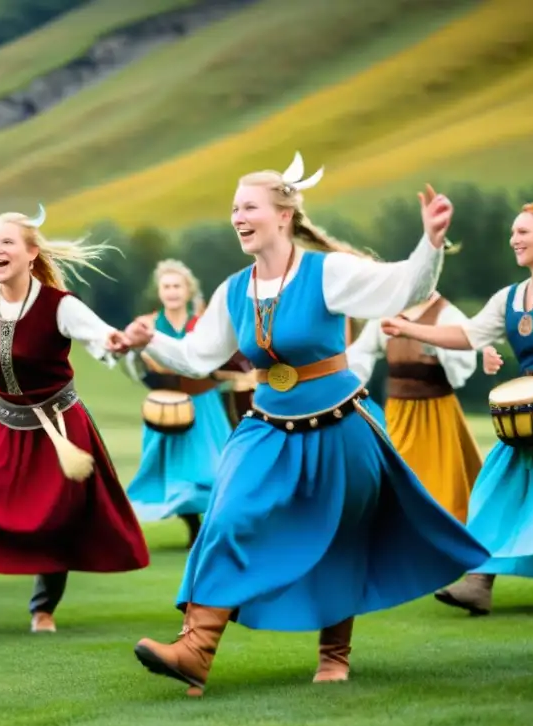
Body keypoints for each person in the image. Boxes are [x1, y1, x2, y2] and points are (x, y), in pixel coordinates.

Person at [121, 153, 489, 695]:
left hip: (341, 425)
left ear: (283, 215)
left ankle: (334, 655)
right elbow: (200, 358)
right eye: (233, 208)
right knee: (225, 516)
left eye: (248, 206)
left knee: (341, 535)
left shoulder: (327, 272)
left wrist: (430, 242)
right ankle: (195, 650)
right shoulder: (232, 289)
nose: (238, 216)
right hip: (266, 426)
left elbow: (404, 288)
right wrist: (150, 341)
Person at [0, 205, 150, 642]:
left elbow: (97, 333)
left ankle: (43, 610)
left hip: (60, 430)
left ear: (31, 252)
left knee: (53, 519)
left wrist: (113, 341)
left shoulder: (60, 305)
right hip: (2, 426)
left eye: (6, 242)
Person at [382, 204, 533, 615]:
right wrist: (407, 328)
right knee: (496, 490)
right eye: (512, 231)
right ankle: (478, 582)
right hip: (530, 417)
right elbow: (467, 334)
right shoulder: (509, 298)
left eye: (524, 231)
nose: (514, 239)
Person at [123, 260, 231, 548]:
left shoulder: (204, 324)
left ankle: (209, 527)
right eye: (166, 286)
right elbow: (132, 365)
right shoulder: (145, 324)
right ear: (160, 292)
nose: (172, 291)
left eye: (177, 286)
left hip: (204, 403)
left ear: (188, 290)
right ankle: (194, 526)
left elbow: (221, 359)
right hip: (166, 406)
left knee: (213, 468)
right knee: (172, 472)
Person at [346, 291, 481, 522]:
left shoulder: (446, 315)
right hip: (397, 413)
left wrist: (436, 346)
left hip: (436, 414)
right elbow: (361, 352)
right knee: (394, 481)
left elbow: (463, 358)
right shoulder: (387, 314)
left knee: (442, 487)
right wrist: (348, 384)